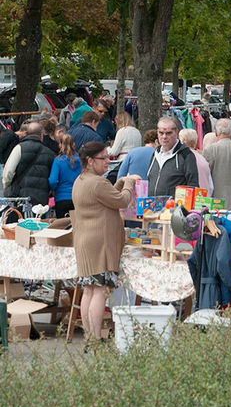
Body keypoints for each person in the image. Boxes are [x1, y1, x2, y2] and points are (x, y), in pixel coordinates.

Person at [71, 141, 139, 343]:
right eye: (104, 158)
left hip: (85, 242)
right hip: (99, 244)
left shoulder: (81, 180)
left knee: (89, 290)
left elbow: (108, 196)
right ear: (90, 161)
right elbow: (121, 201)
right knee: (100, 290)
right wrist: (129, 183)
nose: (108, 162)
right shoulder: (97, 183)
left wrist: (119, 184)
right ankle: (96, 336)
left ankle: (90, 337)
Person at [2, 122, 56, 205]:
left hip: (20, 197)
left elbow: (8, 172)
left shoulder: (19, 148)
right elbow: (52, 178)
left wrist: (7, 187)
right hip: (40, 199)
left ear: (27, 133)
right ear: (41, 135)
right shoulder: (50, 153)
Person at [147, 117, 199, 197]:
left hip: (175, 208)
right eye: (161, 133)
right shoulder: (155, 154)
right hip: (153, 207)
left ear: (176, 132)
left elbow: (193, 185)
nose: (164, 137)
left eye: (168, 133)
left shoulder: (186, 155)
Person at [49, 134, 82, 218]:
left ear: (60, 145)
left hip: (62, 197)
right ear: (74, 144)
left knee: (63, 228)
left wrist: (53, 189)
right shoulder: (80, 161)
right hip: (78, 197)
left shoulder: (58, 161)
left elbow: (53, 180)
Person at [179, 128, 213, 193]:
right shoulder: (203, 159)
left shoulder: (182, 158)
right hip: (204, 199)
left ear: (181, 141)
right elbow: (211, 186)